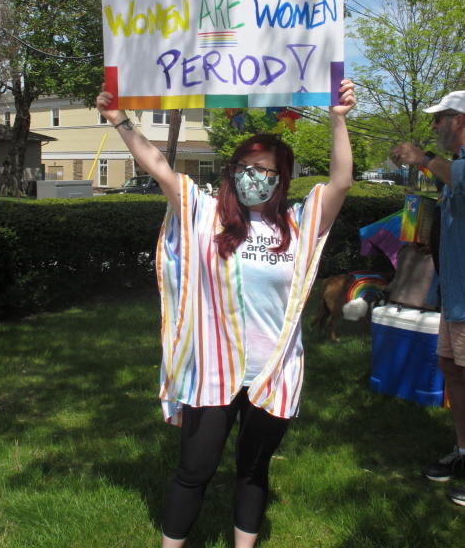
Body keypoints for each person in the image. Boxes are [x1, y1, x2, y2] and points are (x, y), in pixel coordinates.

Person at [97, 80, 356, 546]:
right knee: (194, 470)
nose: (254, 177)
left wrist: (338, 118)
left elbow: (340, 182)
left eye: (267, 171)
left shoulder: (299, 223)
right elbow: (159, 167)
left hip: (272, 372)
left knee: (253, 472)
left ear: (282, 179)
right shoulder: (204, 213)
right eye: (246, 167)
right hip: (212, 369)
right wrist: (119, 119)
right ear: (232, 170)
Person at [391, 90, 465, 507]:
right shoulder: (452, 167)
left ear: (461, 120)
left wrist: (421, 158)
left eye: (441, 118)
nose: (435, 125)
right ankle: (463, 450)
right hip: (453, 293)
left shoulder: (459, 166)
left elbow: (456, 177)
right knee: (451, 369)